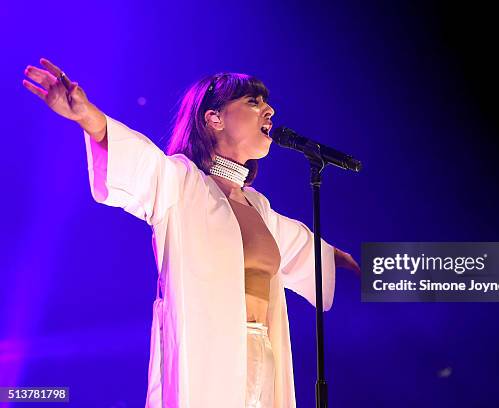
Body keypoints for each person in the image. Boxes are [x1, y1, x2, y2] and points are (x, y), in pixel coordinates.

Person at [23, 58, 361, 408]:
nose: (270, 110)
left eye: (266, 102)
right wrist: (87, 116)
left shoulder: (259, 207)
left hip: (265, 357)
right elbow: (141, 162)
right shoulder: (181, 184)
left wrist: (393, 272)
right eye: (253, 102)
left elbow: (322, 256)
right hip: (211, 360)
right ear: (214, 118)